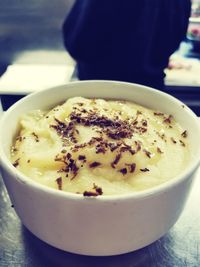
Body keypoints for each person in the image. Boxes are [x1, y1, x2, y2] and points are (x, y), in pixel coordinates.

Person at [62, 0, 191, 90]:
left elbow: (78, 43)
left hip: (99, 93)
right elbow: (175, 34)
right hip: (151, 94)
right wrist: (153, 59)